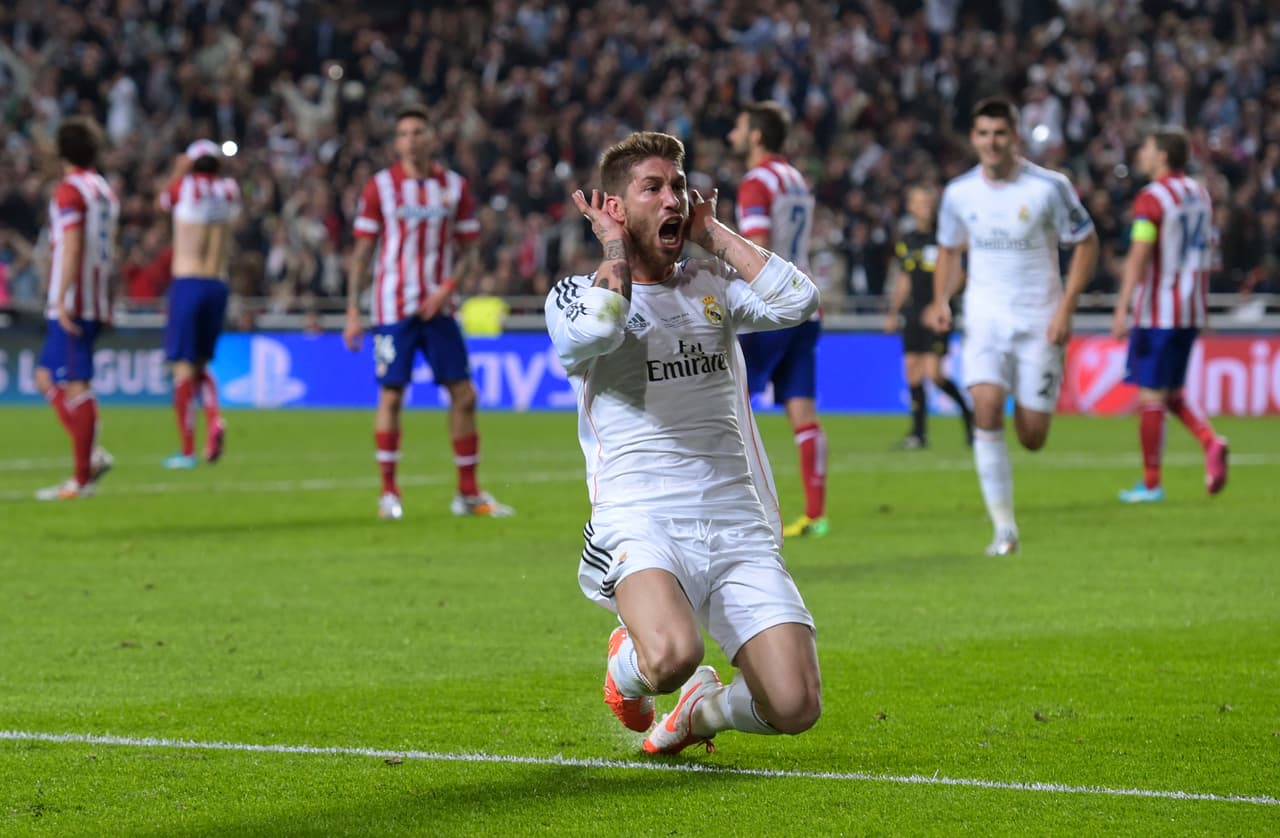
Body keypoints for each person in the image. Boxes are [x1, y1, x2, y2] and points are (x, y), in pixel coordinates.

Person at [545, 131, 822, 755]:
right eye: (653, 188)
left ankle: (703, 712)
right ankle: (628, 671)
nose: (674, 198)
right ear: (614, 206)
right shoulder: (574, 297)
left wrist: (714, 234)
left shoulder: (710, 281)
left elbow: (799, 300)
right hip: (641, 516)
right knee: (673, 654)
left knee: (795, 705)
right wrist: (613, 247)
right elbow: (603, 327)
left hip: (736, 518)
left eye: (679, 185)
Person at [926, 97, 1099, 556]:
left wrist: (1066, 308)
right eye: (983, 134)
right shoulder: (959, 192)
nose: (992, 142)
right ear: (973, 138)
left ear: (1015, 137)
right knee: (984, 406)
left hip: (1040, 319)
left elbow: (1086, 242)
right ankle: (1004, 531)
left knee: (1032, 435)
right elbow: (949, 249)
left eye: (1000, 133)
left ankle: (1007, 519)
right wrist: (941, 299)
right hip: (984, 317)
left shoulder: (1049, 187)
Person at [344, 104, 512, 521]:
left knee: (464, 394)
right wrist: (352, 310)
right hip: (392, 307)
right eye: (403, 134)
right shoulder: (380, 187)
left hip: (440, 308)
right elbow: (362, 253)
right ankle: (389, 493)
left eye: (418, 132)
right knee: (391, 394)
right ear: (396, 142)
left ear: (432, 138)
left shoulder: (454, 187)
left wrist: (447, 289)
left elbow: (470, 251)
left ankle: (467, 494)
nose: (411, 140)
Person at [726, 101, 828, 538]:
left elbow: (758, 246)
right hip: (806, 305)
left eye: (738, 127)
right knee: (802, 410)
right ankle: (815, 515)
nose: (731, 134)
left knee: (730, 407)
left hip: (769, 309)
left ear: (755, 135)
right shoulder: (795, 179)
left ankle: (740, 512)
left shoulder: (756, 181)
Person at [1110, 128, 1228, 502]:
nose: (1141, 154)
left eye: (1146, 148)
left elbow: (1140, 253)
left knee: (1151, 396)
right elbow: (1207, 251)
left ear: (1162, 155)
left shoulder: (1152, 198)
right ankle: (1210, 441)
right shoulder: (1200, 193)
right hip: (1190, 309)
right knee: (1172, 392)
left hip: (1157, 311)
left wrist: (1122, 306)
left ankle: (1150, 484)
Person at [33, 116, 118, 500]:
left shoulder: (69, 191)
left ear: (61, 152)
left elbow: (73, 244)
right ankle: (91, 456)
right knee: (45, 377)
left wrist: (61, 297)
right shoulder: (104, 190)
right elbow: (109, 247)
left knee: (77, 384)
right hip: (96, 297)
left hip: (73, 301)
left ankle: (81, 480)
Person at [159, 139, 241, 469]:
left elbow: (163, 201)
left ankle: (187, 450)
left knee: (182, 367)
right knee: (202, 364)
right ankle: (215, 419)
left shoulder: (184, 187)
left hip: (188, 282)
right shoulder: (229, 190)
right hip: (217, 283)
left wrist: (178, 169)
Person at [884, 185, 975, 449]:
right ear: (911, 207)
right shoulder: (907, 240)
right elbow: (905, 278)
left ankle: (969, 415)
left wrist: (940, 303)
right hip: (913, 310)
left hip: (938, 312)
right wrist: (893, 312)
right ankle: (918, 434)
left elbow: (961, 274)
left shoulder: (945, 237)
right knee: (912, 371)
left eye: (927, 202)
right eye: (919, 202)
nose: (924, 207)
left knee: (934, 374)